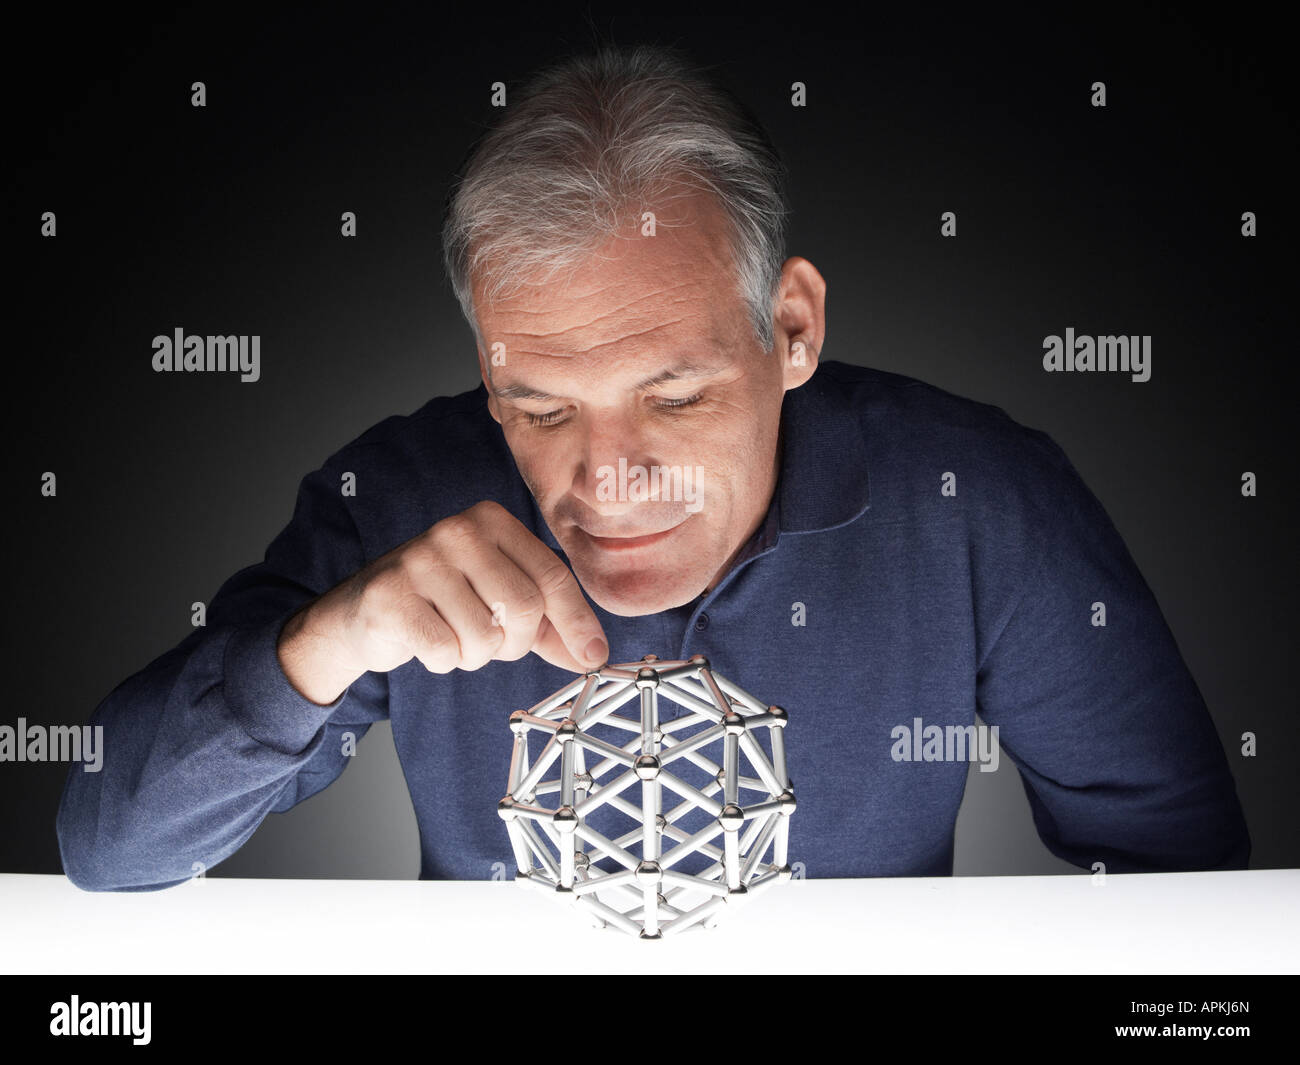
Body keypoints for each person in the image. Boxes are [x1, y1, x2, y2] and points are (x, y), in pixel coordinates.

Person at [57, 44, 1249, 891]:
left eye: (673, 396)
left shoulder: (978, 499)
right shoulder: (403, 500)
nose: (605, 479)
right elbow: (110, 855)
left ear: (791, 329)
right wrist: (319, 649)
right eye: (535, 405)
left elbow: (1188, 893)